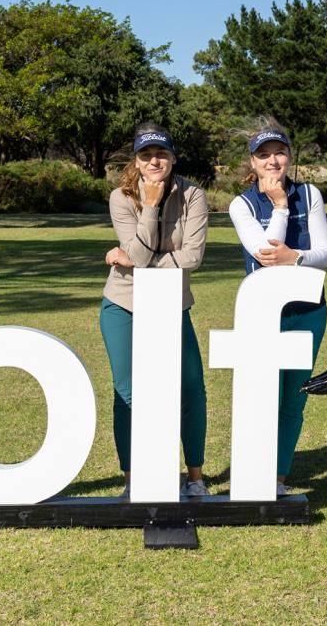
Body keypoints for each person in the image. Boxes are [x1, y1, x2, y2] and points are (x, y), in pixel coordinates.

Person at [99, 122, 210, 498]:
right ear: (137, 161)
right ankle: (132, 479)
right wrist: (149, 205)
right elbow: (142, 254)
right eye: (146, 155)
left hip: (172, 304)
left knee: (191, 387)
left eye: (161, 154)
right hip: (124, 303)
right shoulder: (120, 197)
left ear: (173, 157)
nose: (154, 161)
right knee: (127, 392)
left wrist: (134, 261)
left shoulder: (194, 195)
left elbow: (192, 257)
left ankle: (195, 477)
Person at [227, 122, 327, 496]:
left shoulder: (310, 192)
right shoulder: (240, 204)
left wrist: (296, 257)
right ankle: (254, 473)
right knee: (261, 395)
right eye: (263, 154)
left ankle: (277, 478)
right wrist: (281, 207)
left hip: (307, 310)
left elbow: (324, 255)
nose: (273, 161)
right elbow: (266, 253)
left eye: (279, 152)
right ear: (252, 163)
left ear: (289, 155)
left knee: (292, 399)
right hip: (263, 313)